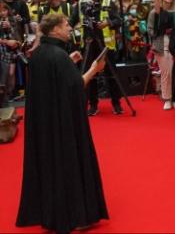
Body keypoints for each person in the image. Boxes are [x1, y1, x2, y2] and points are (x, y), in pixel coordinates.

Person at [17, 13, 108, 234]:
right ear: (55, 29)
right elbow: (76, 87)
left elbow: (51, 81)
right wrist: (94, 69)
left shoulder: (38, 54)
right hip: (64, 125)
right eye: (67, 25)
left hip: (45, 124)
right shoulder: (58, 56)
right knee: (68, 163)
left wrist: (70, 61)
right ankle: (75, 215)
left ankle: (50, 211)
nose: (70, 29)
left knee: (50, 165)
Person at [74, 0, 123, 116]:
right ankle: (93, 104)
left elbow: (119, 20)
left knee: (112, 75)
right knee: (90, 77)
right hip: (89, 44)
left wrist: (107, 23)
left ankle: (116, 103)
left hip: (106, 45)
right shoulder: (80, 4)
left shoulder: (108, 2)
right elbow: (73, 21)